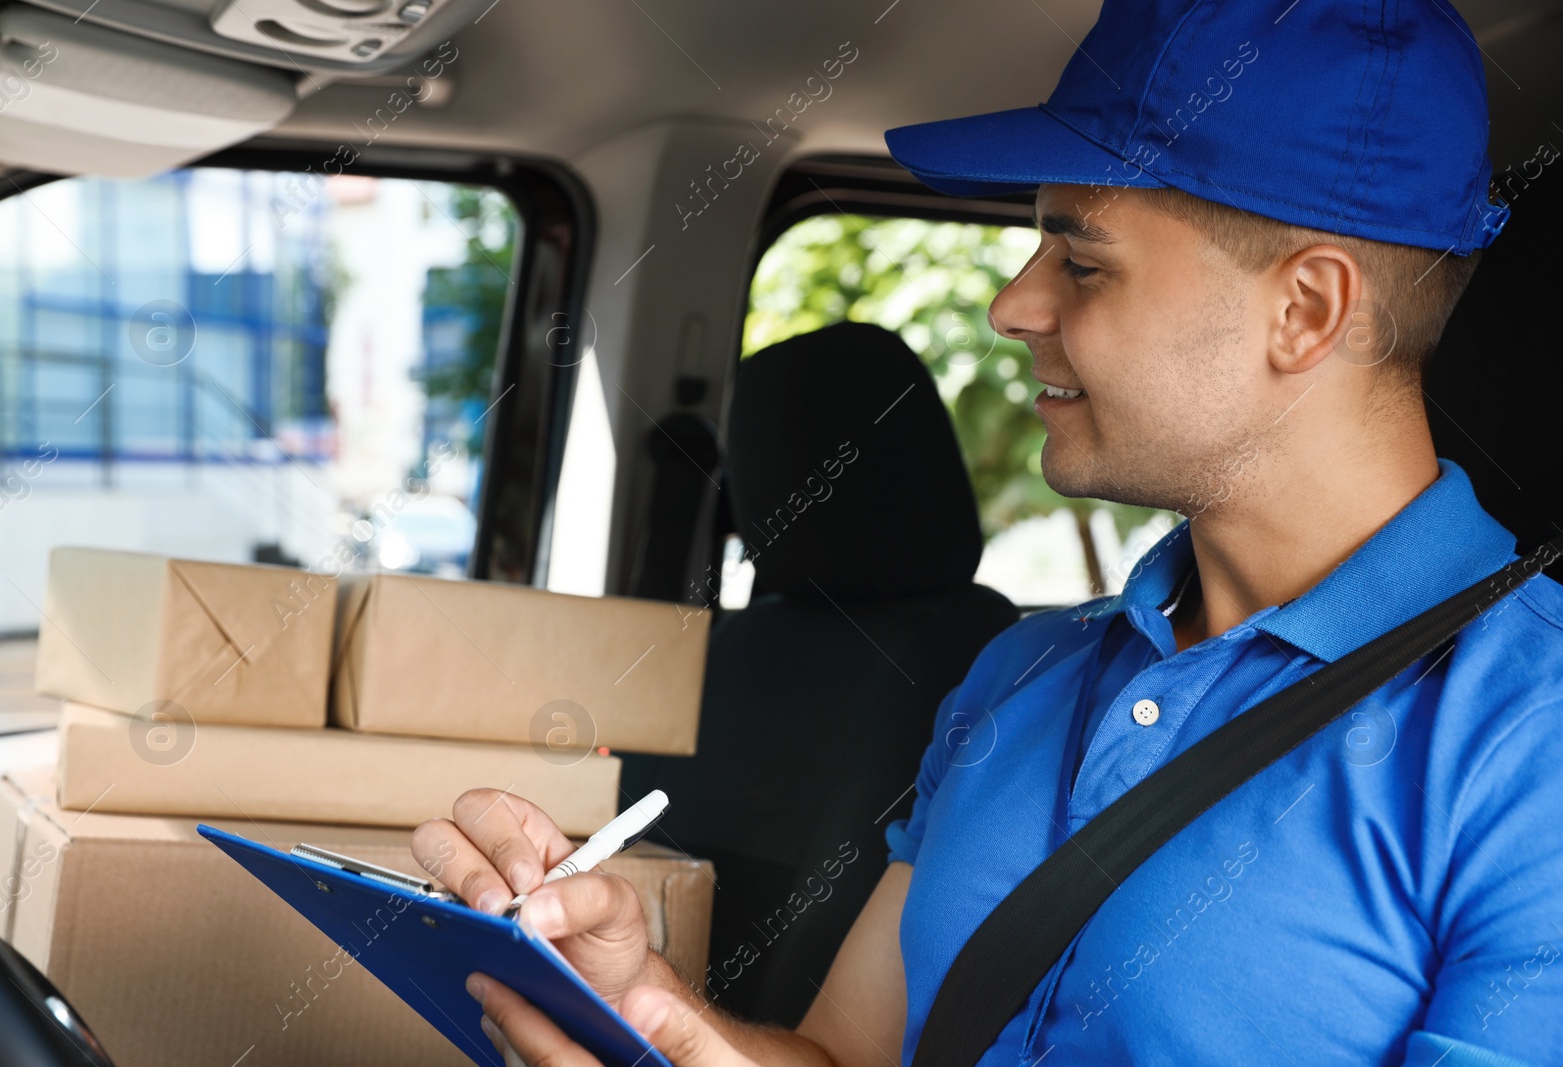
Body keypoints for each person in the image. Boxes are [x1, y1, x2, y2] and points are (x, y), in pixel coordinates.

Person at [412, 1, 1563, 1064]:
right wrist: (647, 1008)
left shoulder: (1527, 744)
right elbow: (844, 1056)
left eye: (1080, 260)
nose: (1012, 304)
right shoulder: (1023, 674)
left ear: (1304, 310)